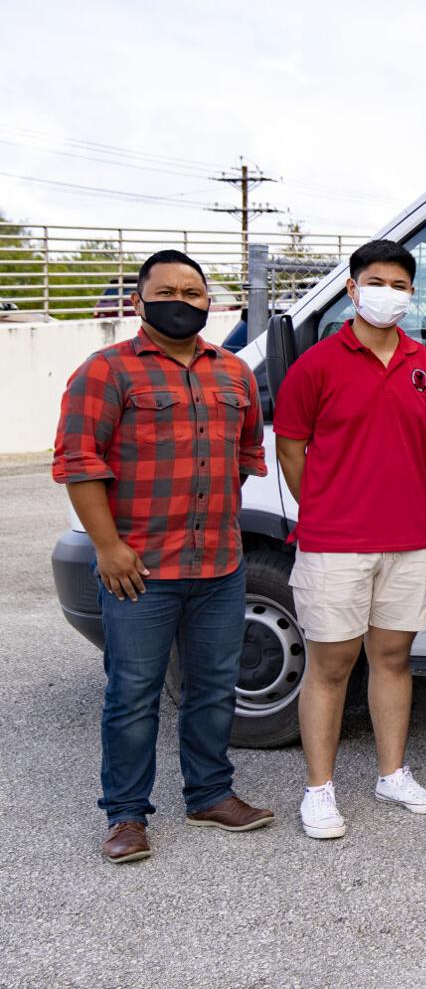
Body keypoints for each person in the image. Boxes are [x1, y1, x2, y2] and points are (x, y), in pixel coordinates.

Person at [54, 249, 276, 863]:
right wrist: (108, 547)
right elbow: (79, 465)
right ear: (140, 301)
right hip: (139, 571)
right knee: (133, 692)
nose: (182, 302)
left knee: (212, 686)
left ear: (210, 303)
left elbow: (247, 454)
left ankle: (209, 794)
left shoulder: (232, 373)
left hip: (219, 565)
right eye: (168, 292)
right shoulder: (105, 372)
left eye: (194, 293)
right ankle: (126, 815)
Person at [274, 239, 426, 838]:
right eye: (377, 282)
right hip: (334, 543)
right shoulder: (317, 364)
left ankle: (391, 774)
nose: (390, 293)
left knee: (393, 658)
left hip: (407, 539)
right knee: (330, 665)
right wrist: (327, 509)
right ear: (352, 289)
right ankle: (319, 790)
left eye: (401, 285)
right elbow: (291, 449)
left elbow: (425, 445)